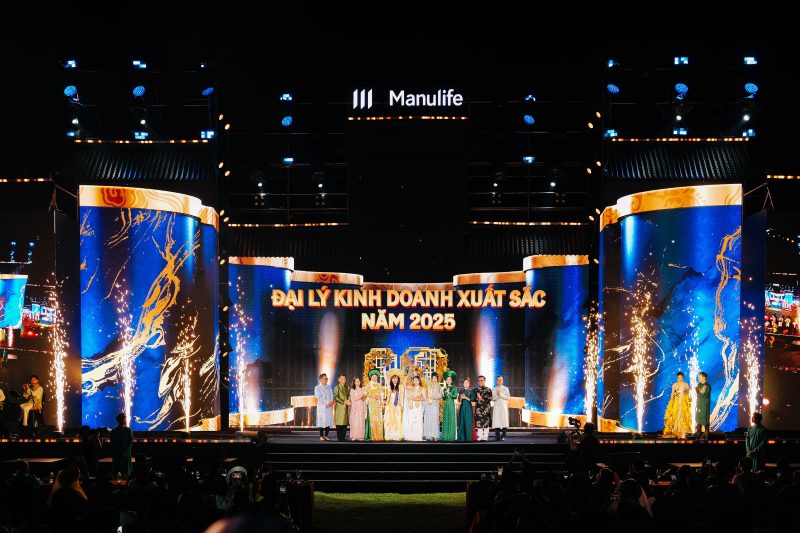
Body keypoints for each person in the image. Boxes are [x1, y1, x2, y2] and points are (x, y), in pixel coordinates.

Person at [663, 371, 691, 438]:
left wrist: (685, 391)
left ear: (683, 377)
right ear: (677, 378)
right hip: (677, 402)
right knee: (676, 415)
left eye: (681, 378)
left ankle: (684, 432)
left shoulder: (686, 384)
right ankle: (675, 431)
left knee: (683, 415)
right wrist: (676, 394)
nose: (680, 379)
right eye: (679, 378)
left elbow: (688, 392)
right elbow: (673, 393)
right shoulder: (674, 384)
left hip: (683, 402)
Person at [110, 412, 134, 479]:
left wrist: (119, 451)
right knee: (126, 471)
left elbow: (112, 443)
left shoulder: (113, 431)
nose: (126, 421)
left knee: (117, 470)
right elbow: (130, 442)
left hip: (118, 453)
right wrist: (125, 451)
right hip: (124, 454)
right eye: (125, 419)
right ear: (121, 420)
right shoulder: (128, 430)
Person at [403, 375, 426, 441]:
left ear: (419, 381)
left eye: (416, 380)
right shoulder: (411, 387)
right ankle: (411, 436)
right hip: (411, 405)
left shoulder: (422, 388)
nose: (415, 381)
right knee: (411, 420)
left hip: (418, 406)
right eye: (414, 380)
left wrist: (417, 399)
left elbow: (424, 398)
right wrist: (406, 376)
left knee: (417, 420)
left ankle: (417, 436)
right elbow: (404, 386)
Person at [365, 369, 384, 441]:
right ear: (371, 377)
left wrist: (380, 397)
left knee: (379, 419)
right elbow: (365, 394)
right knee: (372, 419)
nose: (375, 378)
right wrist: (373, 396)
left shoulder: (379, 385)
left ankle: (379, 435)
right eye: (373, 377)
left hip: (378, 403)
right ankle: (373, 435)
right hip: (371, 403)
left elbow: (382, 394)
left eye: (376, 377)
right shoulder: (368, 385)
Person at [384, 371, 404, 441]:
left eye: (396, 378)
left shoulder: (401, 387)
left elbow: (402, 397)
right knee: (389, 420)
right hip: (390, 406)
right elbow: (385, 378)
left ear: (398, 379)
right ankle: (389, 435)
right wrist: (384, 370)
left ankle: (396, 435)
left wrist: (402, 405)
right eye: (393, 378)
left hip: (397, 406)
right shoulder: (390, 386)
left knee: (397, 420)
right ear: (391, 379)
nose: (394, 380)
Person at [314, 374, 335, 441]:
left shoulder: (329, 387)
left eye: (327, 379)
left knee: (328, 421)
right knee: (322, 421)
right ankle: (321, 435)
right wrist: (327, 403)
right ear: (320, 379)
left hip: (329, 406)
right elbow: (319, 397)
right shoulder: (317, 387)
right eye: (325, 379)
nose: (326, 380)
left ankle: (326, 435)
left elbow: (331, 395)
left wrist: (331, 402)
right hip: (322, 407)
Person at [473, 375, 493, 441]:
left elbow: (489, 399)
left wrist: (481, 398)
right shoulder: (475, 390)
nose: (480, 382)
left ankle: (485, 436)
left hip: (486, 409)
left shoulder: (488, 390)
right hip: (478, 409)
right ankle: (480, 436)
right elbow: (472, 399)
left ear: (484, 381)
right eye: (479, 380)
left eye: (482, 380)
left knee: (486, 423)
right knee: (479, 423)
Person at [423, 372, 442, 441]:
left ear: (437, 379)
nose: (434, 379)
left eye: (436, 378)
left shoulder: (439, 386)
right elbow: (426, 378)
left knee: (435, 420)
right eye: (433, 378)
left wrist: (436, 397)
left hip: (435, 405)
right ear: (431, 378)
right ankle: (430, 435)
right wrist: (426, 370)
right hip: (429, 405)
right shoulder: (429, 385)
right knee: (429, 419)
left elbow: (441, 395)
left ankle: (435, 435)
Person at [441, 370, 459, 441]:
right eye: (447, 379)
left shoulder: (454, 388)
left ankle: (451, 436)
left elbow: (455, 396)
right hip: (446, 404)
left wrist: (449, 393)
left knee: (451, 419)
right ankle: (445, 436)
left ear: (451, 380)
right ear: (446, 380)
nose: (448, 381)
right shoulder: (444, 388)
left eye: (449, 379)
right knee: (446, 419)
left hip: (451, 404)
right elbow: (444, 398)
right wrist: (443, 396)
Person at [492, 375, 510, 441]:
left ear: (502, 381)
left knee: (504, 421)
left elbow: (508, 397)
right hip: (497, 407)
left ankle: (503, 435)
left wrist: (501, 395)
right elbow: (493, 398)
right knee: (497, 422)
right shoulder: (494, 389)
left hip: (503, 407)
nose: (499, 381)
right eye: (498, 380)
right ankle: (497, 436)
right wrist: (497, 395)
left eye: (501, 380)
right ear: (496, 381)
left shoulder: (505, 389)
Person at [348, 376, 367, 441]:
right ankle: (354, 436)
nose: (357, 382)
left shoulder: (363, 389)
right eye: (356, 381)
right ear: (354, 382)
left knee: (361, 421)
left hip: (361, 405)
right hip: (355, 406)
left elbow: (364, 398)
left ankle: (360, 436)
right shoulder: (352, 390)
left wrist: (363, 398)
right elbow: (352, 399)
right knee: (355, 421)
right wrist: (360, 397)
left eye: (358, 381)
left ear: (360, 382)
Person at [695, 371, 712, 439]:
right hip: (699, 405)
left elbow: (704, 395)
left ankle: (706, 434)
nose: (698, 378)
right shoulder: (699, 385)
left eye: (700, 377)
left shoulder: (708, 386)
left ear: (704, 377)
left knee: (705, 420)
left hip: (705, 405)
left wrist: (697, 391)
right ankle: (698, 434)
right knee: (698, 419)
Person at [457, 377, 475, 442]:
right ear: (463, 384)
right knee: (462, 422)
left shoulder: (471, 391)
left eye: (467, 382)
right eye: (465, 382)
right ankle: (462, 438)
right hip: (462, 407)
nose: (466, 383)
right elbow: (459, 400)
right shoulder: (461, 391)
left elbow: (472, 400)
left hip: (468, 408)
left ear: (469, 384)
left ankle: (468, 438)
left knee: (468, 422)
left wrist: (465, 398)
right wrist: (461, 398)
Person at [333, 374, 350, 442]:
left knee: (345, 422)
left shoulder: (347, 388)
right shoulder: (337, 387)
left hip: (346, 407)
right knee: (339, 422)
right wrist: (344, 401)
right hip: (340, 407)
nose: (343, 380)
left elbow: (349, 396)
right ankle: (339, 438)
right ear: (339, 379)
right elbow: (335, 397)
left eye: (344, 379)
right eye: (342, 379)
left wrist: (349, 400)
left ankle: (343, 437)